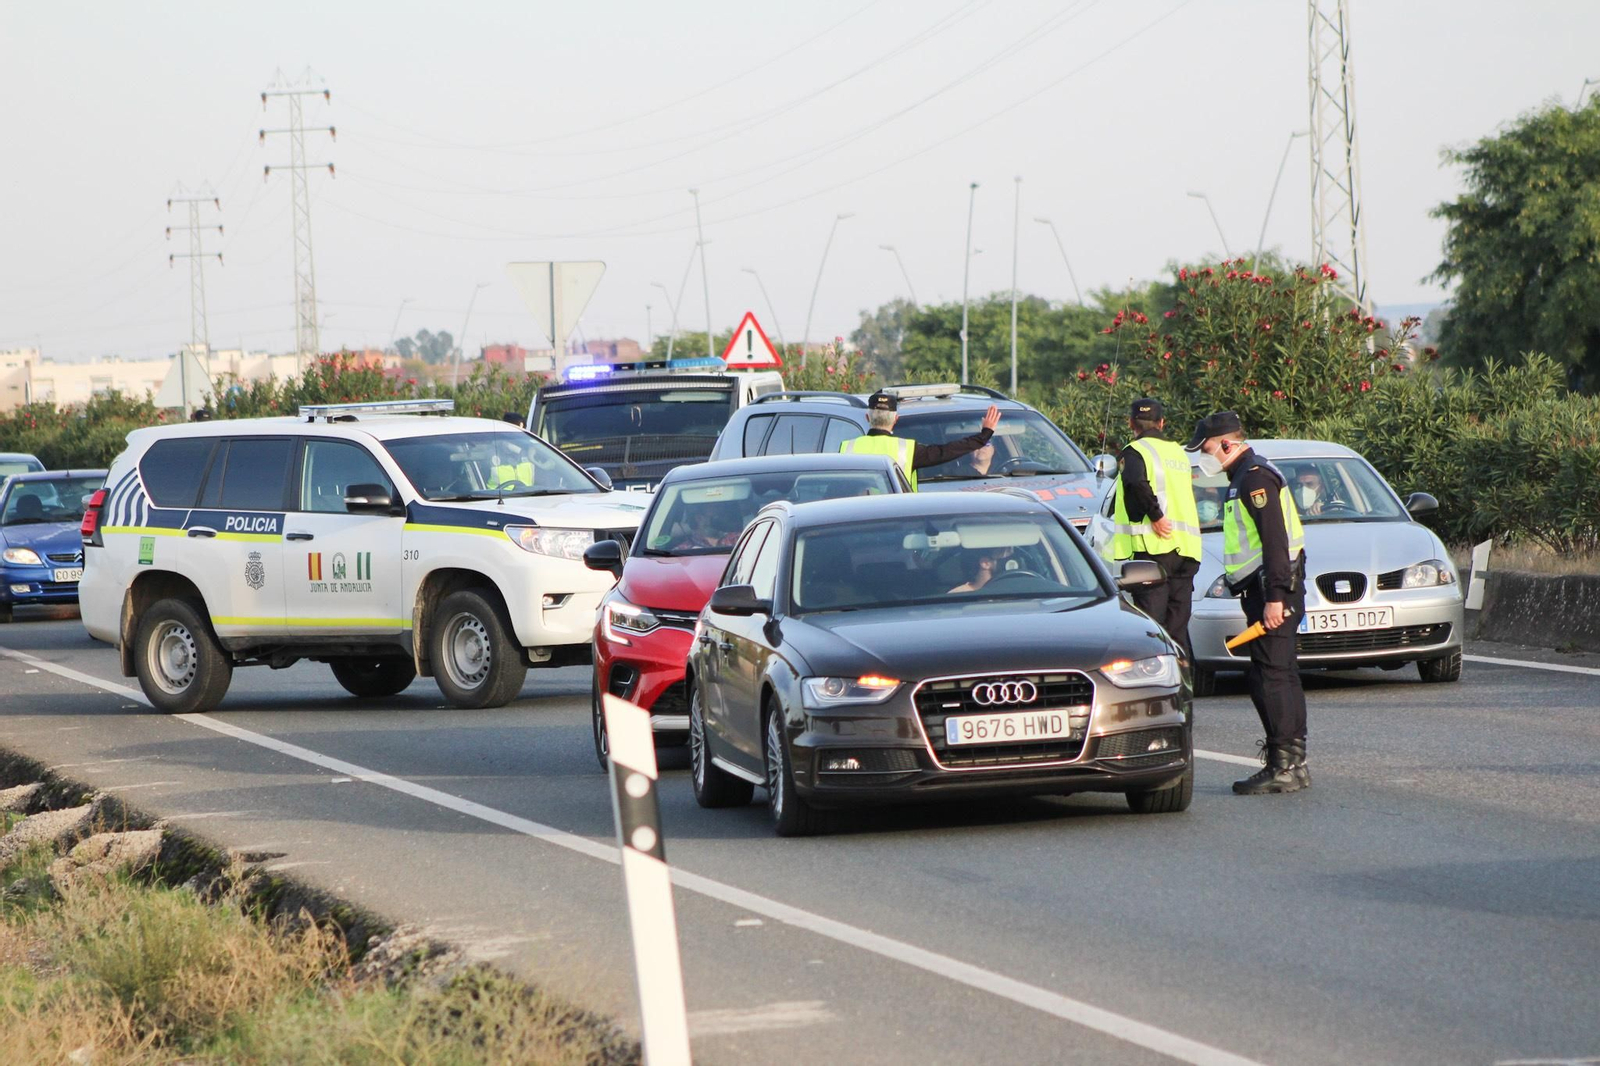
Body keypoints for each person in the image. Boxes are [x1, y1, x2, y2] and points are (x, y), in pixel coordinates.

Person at [1186, 411, 1309, 795]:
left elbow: (1274, 542)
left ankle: (1284, 765)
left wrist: (1274, 597)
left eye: (1205, 449)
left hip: (1273, 591)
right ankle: (1292, 763)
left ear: (1226, 443)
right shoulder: (1245, 475)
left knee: (1270, 676)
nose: (1204, 457)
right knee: (1278, 673)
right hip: (1265, 589)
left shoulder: (1254, 477)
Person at [1110, 398, 1202, 668]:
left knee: (1152, 626)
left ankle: (1156, 683)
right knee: (1177, 626)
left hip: (1152, 548)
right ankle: (1182, 685)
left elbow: (1134, 482)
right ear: (1161, 423)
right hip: (1185, 548)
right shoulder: (1177, 452)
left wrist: (1156, 516)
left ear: (1131, 424)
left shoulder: (1134, 451)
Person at [839, 392, 1001, 490]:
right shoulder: (906, 449)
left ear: (868, 418)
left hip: (858, 524)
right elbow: (947, 451)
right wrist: (983, 436)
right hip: (897, 521)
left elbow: (837, 488)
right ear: (896, 419)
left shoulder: (848, 448)